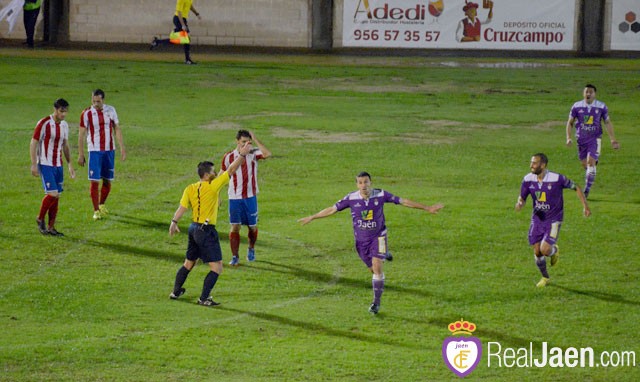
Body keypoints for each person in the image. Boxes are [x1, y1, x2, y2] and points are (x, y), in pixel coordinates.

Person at [298, 172, 444, 314]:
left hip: (379, 237)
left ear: (370, 183)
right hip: (361, 242)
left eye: (366, 182)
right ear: (357, 184)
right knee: (372, 271)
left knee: (377, 267)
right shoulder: (351, 198)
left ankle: (376, 302)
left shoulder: (381, 195)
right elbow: (332, 209)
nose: (363, 185)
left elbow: (403, 201)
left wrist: (427, 208)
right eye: (360, 182)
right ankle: (384, 253)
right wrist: (313, 217)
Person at [168, 141, 252, 306]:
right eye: (213, 171)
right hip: (206, 231)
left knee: (189, 262)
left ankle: (176, 291)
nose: (215, 173)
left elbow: (182, 207)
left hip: (193, 228)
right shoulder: (213, 186)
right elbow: (231, 170)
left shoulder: (190, 188)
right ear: (206, 175)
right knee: (217, 268)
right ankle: (204, 298)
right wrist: (242, 155)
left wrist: (174, 221)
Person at [515, 153, 591, 288]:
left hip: (554, 220)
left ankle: (554, 250)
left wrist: (585, 206)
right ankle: (545, 277)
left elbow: (576, 187)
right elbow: (522, 197)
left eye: (534, 163)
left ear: (543, 165)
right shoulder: (528, 179)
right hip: (537, 220)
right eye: (531, 162)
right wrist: (520, 203)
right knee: (537, 251)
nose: (531, 165)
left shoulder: (557, 178)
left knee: (545, 250)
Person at [221, 130, 272, 266]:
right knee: (235, 226)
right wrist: (217, 194)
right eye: (243, 142)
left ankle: (251, 249)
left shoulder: (254, 153)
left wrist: (255, 139)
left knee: (252, 227)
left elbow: (267, 154)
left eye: (248, 142)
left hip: (250, 197)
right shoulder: (229, 157)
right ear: (237, 141)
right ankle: (235, 256)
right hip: (234, 198)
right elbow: (221, 176)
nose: (246, 145)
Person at [78, 89, 126, 221]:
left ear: (103, 100)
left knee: (107, 180)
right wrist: (81, 154)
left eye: (98, 101)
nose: (95, 104)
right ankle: (96, 210)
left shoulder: (111, 110)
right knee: (94, 181)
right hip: (94, 151)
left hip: (109, 150)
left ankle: (101, 204)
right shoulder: (86, 113)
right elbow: (81, 134)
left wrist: (122, 147)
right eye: (93, 101)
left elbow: (116, 128)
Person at [30, 98, 76, 236]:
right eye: (61, 111)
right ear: (55, 109)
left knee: (57, 197)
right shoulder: (44, 123)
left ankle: (51, 227)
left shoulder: (64, 126)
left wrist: (70, 164)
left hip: (58, 164)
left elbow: (65, 145)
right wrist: (33, 164)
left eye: (66, 112)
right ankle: (39, 218)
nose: (63, 114)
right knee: (52, 193)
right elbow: (33, 143)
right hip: (45, 163)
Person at [565, 84, 620, 199]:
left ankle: (587, 190)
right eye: (586, 92)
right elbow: (570, 123)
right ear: (583, 93)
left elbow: (607, 122)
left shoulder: (601, 106)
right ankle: (592, 170)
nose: (588, 94)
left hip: (595, 139)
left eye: (591, 92)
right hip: (581, 140)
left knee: (590, 162)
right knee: (586, 165)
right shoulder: (576, 106)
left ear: (595, 94)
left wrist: (613, 140)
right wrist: (568, 138)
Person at [150, 0, 201, 64]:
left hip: (183, 19)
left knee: (181, 39)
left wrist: (196, 14)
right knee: (186, 38)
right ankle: (187, 60)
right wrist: (183, 25)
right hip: (178, 19)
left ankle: (157, 42)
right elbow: (179, 12)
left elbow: (190, 5)